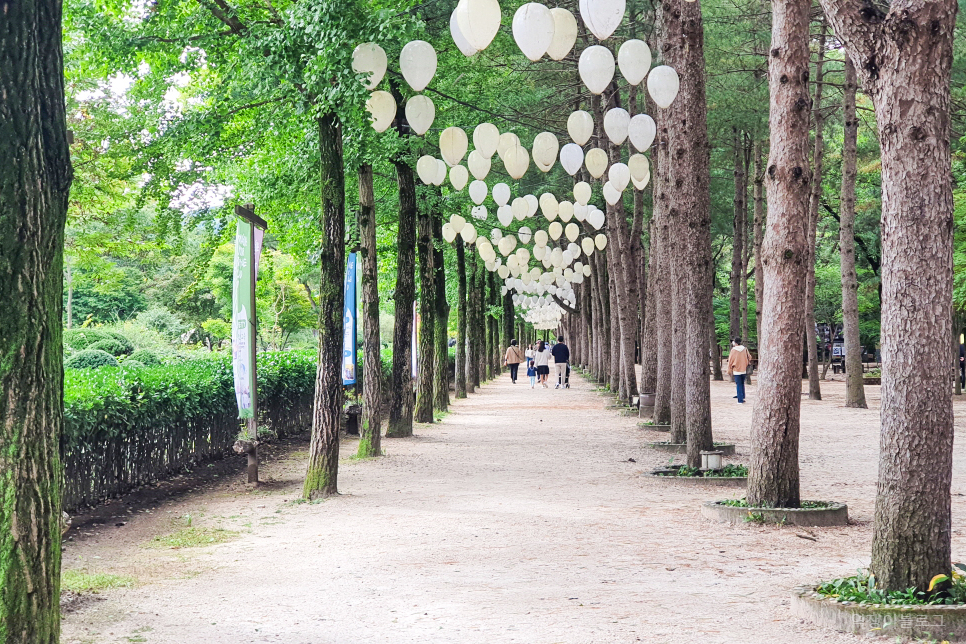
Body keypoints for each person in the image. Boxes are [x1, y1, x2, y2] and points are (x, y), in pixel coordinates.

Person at [727, 337, 751, 404]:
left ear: (735, 342)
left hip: (736, 369)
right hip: (744, 368)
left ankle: (740, 400)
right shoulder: (745, 349)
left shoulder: (733, 350)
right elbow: (749, 357)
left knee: (738, 384)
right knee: (742, 383)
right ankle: (742, 396)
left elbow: (730, 360)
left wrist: (729, 368)